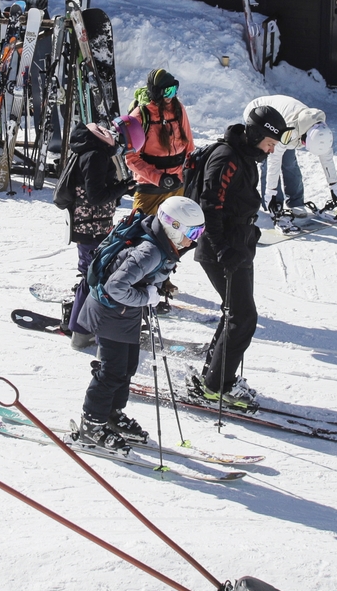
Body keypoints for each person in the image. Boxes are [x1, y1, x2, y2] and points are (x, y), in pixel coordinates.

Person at [72, 196, 204, 448]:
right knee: (111, 371)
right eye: (193, 231)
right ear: (174, 226)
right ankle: (91, 424)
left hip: (125, 313)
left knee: (128, 366)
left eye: (200, 231)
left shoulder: (162, 244)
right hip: (110, 311)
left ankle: (111, 414)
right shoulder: (150, 251)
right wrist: (147, 296)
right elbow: (115, 287)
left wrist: (150, 292)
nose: (195, 239)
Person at [192, 103, 284, 407]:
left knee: (236, 313)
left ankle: (214, 377)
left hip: (238, 244)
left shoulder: (245, 155)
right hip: (223, 249)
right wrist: (223, 249)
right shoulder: (227, 157)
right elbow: (210, 206)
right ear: (257, 134)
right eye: (270, 143)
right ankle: (218, 386)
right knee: (243, 317)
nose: (270, 151)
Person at [52, 119, 131, 337]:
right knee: (93, 275)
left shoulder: (87, 151)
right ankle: (79, 329)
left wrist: (122, 188)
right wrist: (123, 187)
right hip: (92, 227)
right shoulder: (95, 155)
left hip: (89, 225)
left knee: (92, 273)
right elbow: (96, 196)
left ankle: (77, 322)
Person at [244, 94, 337, 223]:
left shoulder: (322, 133)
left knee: (289, 162)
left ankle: (296, 202)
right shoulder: (290, 130)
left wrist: (334, 187)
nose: (302, 145)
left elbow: (327, 159)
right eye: (303, 143)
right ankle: (275, 204)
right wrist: (271, 193)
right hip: (258, 114)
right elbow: (273, 162)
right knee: (267, 159)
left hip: (285, 121)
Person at [125, 68, 193, 217]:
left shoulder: (178, 109)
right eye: (167, 92)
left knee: (175, 236)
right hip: (150, 188)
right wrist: (160, 178)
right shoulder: (140, 115)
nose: (172, 96)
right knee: (142, 233)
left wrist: (189, 172)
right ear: (157, 92)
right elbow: (131, 159)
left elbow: (189, 145)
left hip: (177, 185)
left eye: (174, 90)